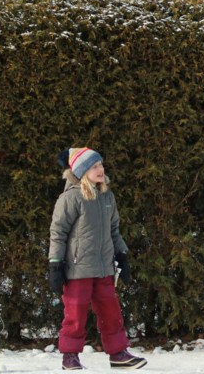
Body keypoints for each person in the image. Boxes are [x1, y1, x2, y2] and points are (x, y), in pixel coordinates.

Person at [49, 148, 147, 370]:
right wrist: (55, 264)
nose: (101, 169)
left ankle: (118, 354)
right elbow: (58, 232)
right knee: (75, 313)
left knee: (111, 312)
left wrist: (122, 256)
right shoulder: (71, 198)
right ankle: (70, 356)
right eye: (94, 166)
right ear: (83, 171)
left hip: (104, 268)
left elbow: (114, 230)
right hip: (77, 269)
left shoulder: (107, 196)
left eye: (101, 165)